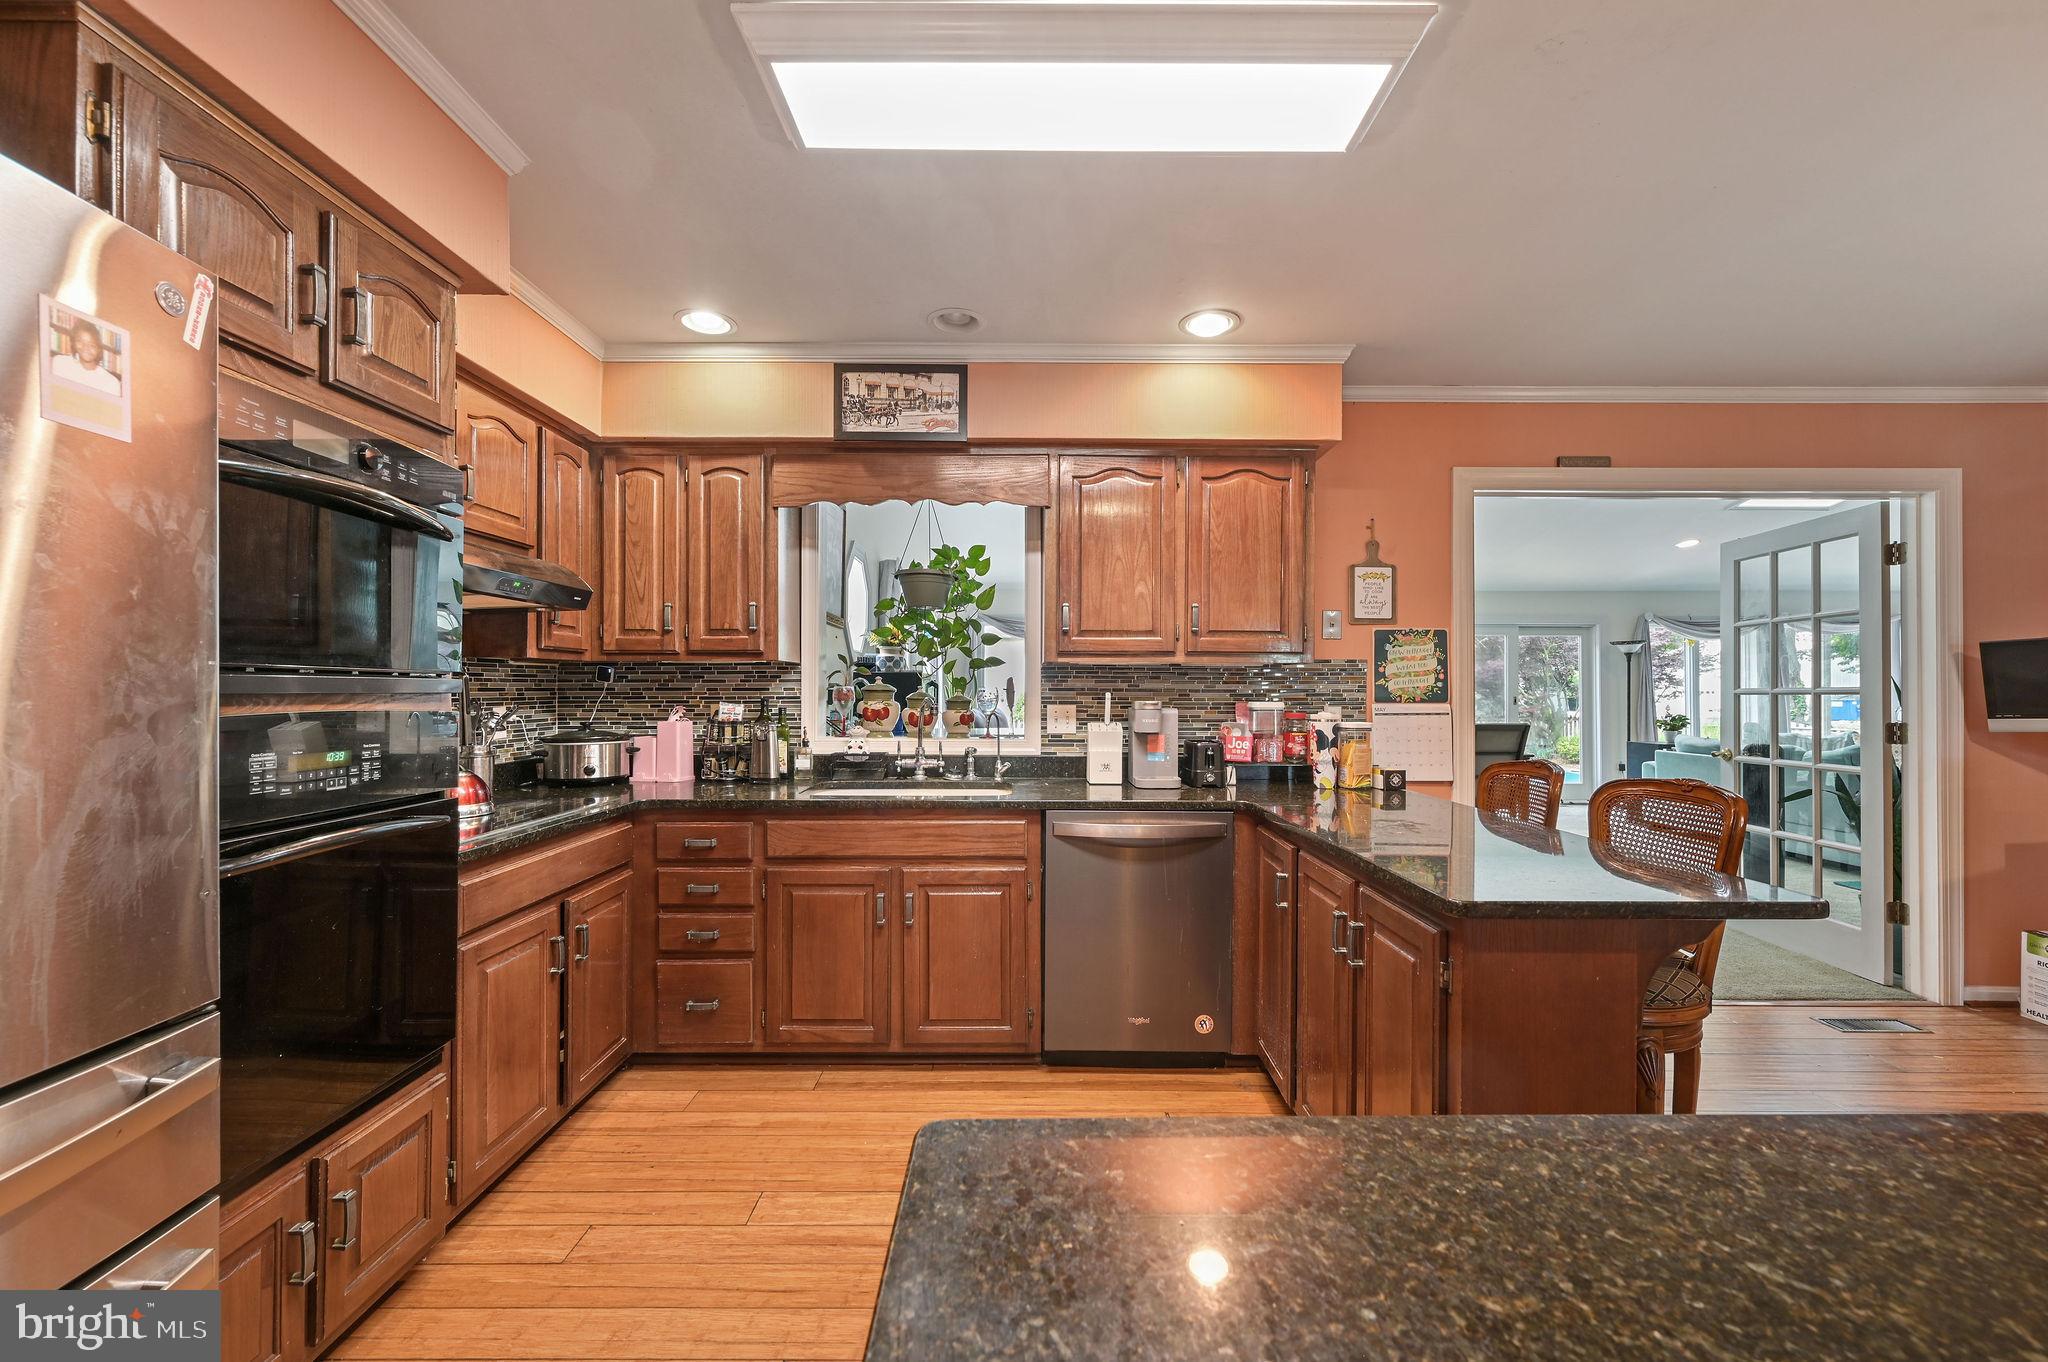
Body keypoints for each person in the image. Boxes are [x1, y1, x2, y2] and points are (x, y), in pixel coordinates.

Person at [51, 317, 122, 396]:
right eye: (80, 341)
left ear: (98, 349)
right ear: (73, 343)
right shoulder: (60, 362)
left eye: (92, 345)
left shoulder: (111, 382)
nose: (86, 348)